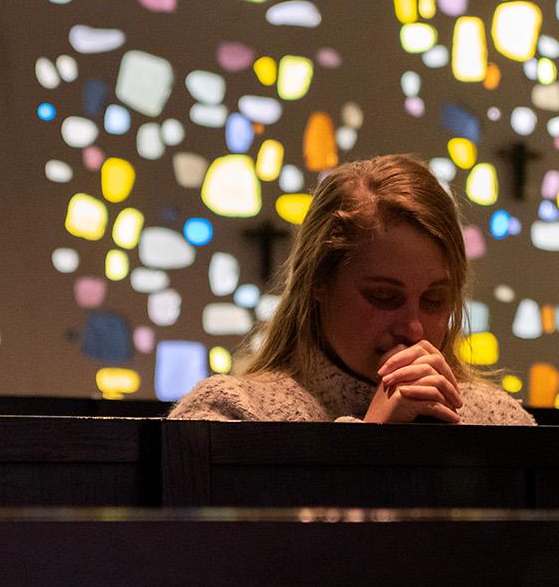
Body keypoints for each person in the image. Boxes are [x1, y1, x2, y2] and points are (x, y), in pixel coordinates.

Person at [169, 154, 536, 425]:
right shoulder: (228, 413)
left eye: (434, 300)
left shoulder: (499, 420)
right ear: (318, 281)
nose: (414, 328)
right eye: (384, 297)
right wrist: (370, 444)